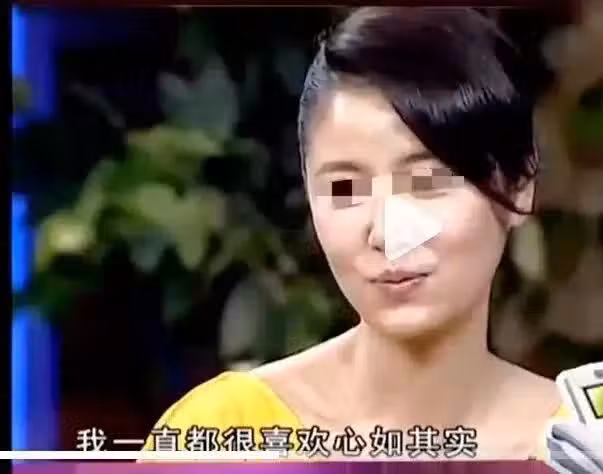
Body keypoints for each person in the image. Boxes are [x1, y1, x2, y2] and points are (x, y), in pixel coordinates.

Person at [145, 7, 568, 460]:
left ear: (520, 187)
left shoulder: (589, 449)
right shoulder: (224, 434)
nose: (387, 233)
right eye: (345, 188)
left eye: (427, 183)